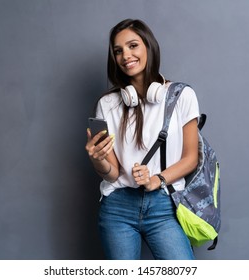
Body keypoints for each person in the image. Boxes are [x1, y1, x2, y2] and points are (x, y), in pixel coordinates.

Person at [85, 19, 200, 260]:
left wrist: (157, 179)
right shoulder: (107, 104)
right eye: (118, 51)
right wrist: (98, 161)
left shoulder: (181, 96)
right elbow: (113, 173)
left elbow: (191, 158)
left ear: (148, 46)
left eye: (133, 45)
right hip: (118, 208)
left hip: (164, 208)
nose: (126, 55)